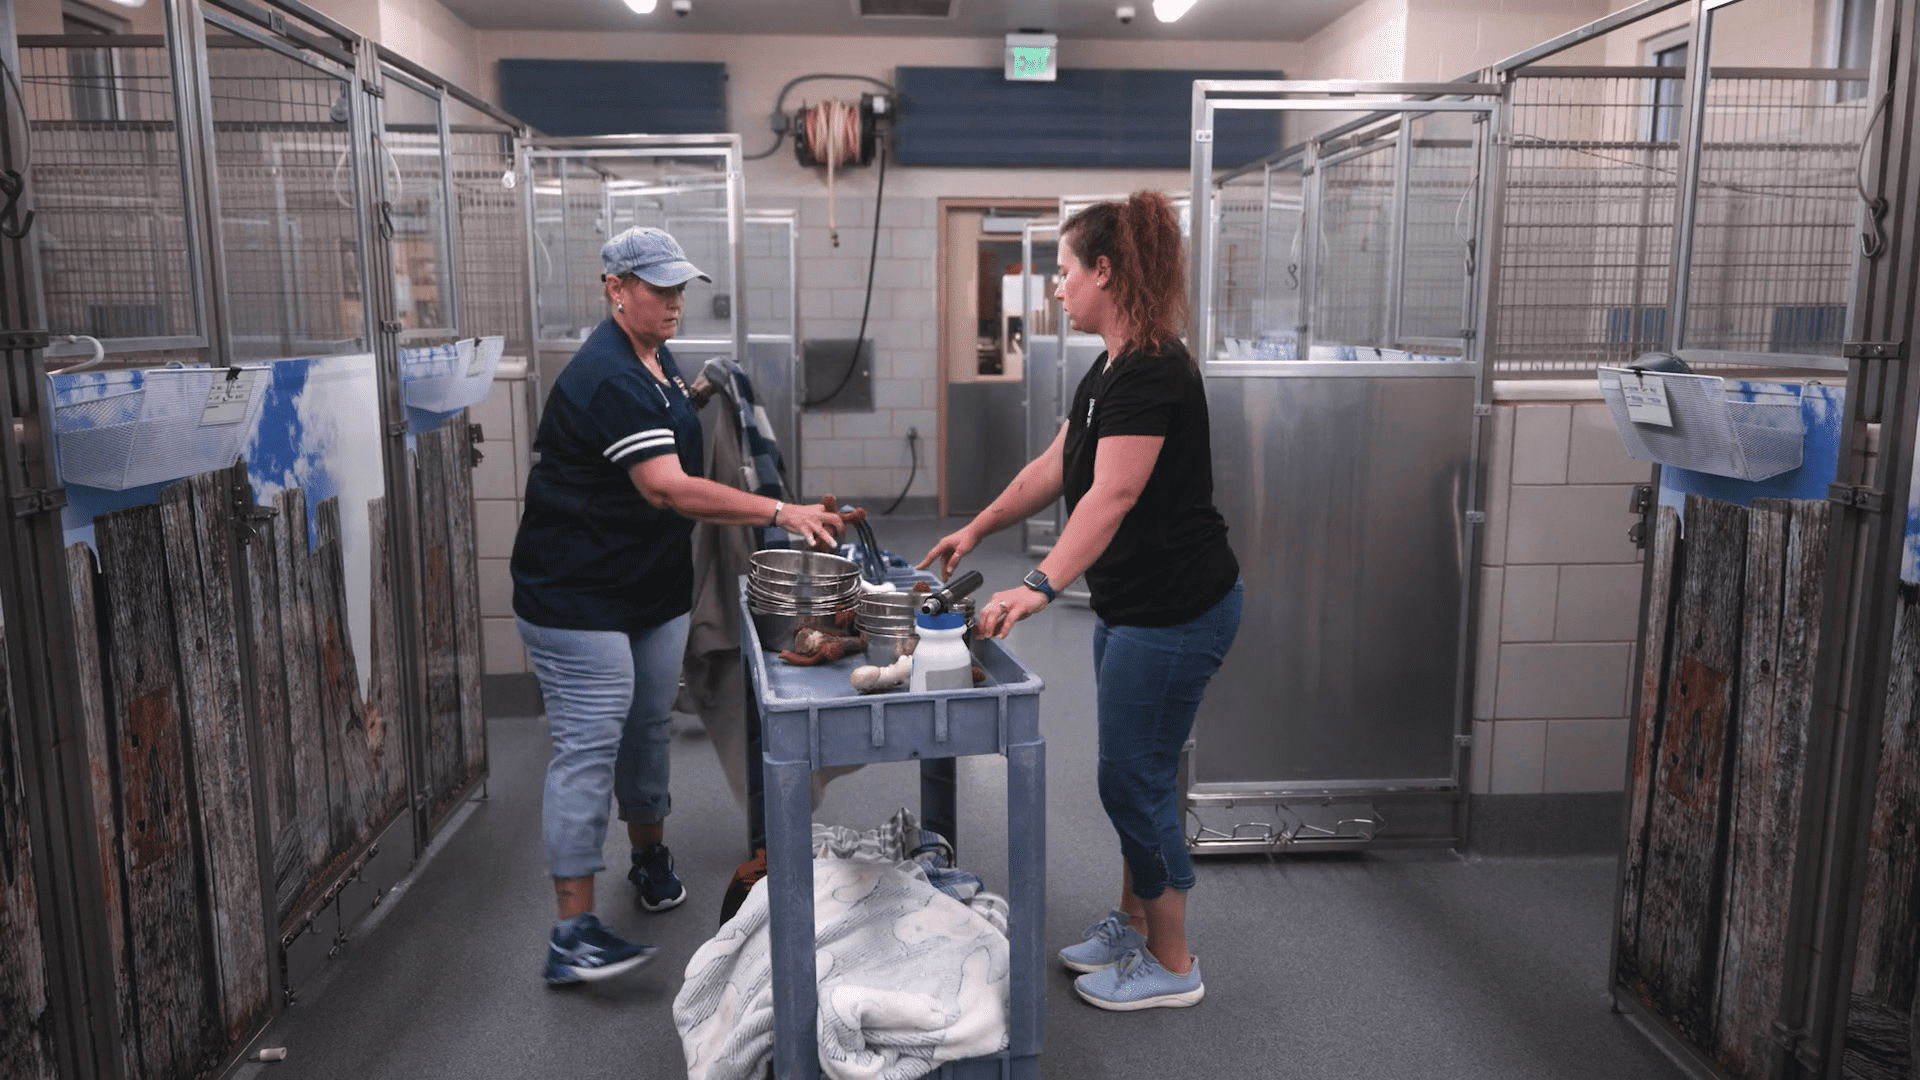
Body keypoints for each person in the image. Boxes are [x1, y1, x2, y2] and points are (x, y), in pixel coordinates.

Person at [920, 191, 1242, 1011]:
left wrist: (1035, 585)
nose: (1055, 287)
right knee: (1142, 770)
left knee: (1129, 782)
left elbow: (1113, 495)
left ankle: (1173, 966)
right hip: (1136, 607)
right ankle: (1133, 923)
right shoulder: (1111, 366)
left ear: (1106, 271)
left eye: (1064, 271)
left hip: (1176, 612)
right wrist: (979, 528)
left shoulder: (1153, 372)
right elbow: (1059, 468)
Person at [512, 227, 845, 986]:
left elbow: (672, 429)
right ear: (614, 287)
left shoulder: (656, 359)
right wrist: (778, 509)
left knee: (646, 728)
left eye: (679, 288)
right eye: (657, 289)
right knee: (589, 748)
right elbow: (665, 485)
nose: (673, 302)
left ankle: (648, 854)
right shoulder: (606, 376)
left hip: (648, 588)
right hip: (577, 598)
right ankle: (570, 931)